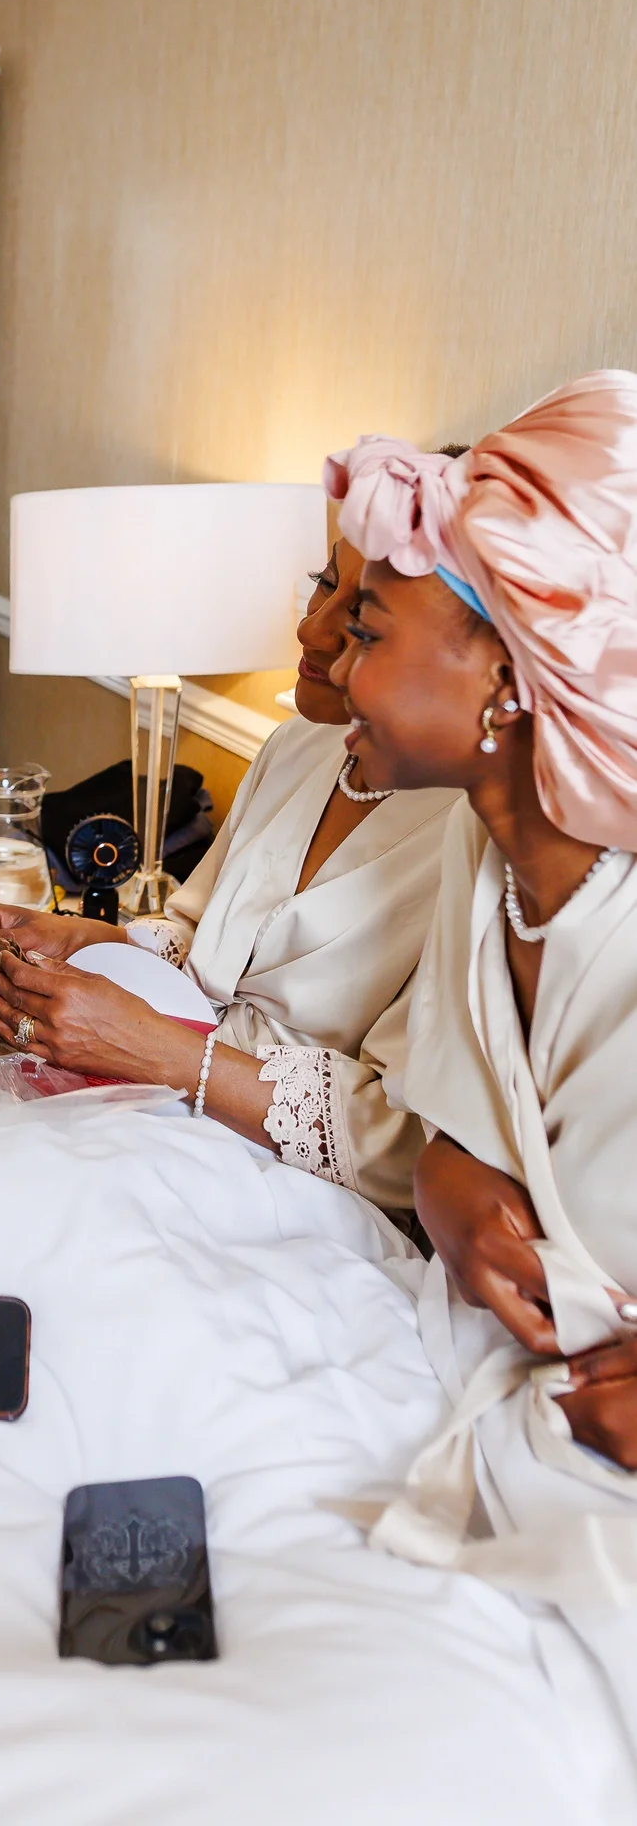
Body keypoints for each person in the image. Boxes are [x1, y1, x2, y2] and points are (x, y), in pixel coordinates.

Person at [318, 376, 637, 1559]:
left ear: (507, 674)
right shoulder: (483, 843)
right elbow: (458, 1119)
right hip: (490, 1372)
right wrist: (452, 1203)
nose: (330, 667)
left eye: (363, 630)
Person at [0, 526, 459, 1209]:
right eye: (321, 582)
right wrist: (80, 936)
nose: (311, 629)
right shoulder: (302, 741)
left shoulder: (481, 843)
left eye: (360, 618)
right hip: (150, 1098)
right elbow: (202, 944)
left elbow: (412, 1151)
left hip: (285, 1180)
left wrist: (169, 1057)